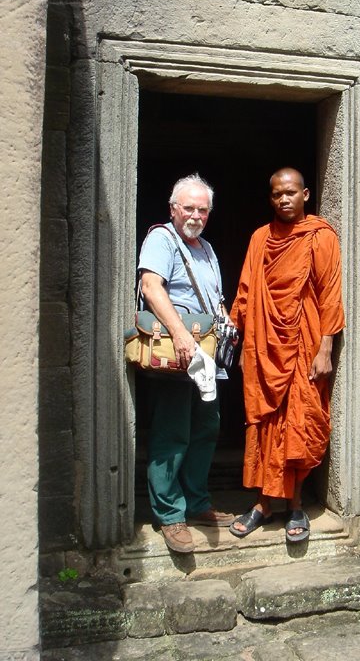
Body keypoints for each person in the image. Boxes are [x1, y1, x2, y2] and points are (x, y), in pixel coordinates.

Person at [229, 168, 345, 543]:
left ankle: (294, 505)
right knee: (265, 425)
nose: (283, 199)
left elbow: (330, 294)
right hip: (263, 346)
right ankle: (263, 504)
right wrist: (239, 340)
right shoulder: (260, 238)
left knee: (299, 423)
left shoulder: (320, 237)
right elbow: (246, 292)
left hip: (304, 345)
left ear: (306, 194)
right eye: (277, 194)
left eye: (291, 193)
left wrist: (326, 348)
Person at [138, 173, 233, 553]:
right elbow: (151, 286)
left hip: (205, 356)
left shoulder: (206, 248)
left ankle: (196, 503)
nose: (196, 215)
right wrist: (179, 334)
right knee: (172, 433)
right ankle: (170, 514)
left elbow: (214, 298)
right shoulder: (162, 238)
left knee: (206, 428)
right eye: (189, 208)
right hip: (176, 352)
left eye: (203, 209)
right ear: (173, 208)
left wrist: (225, 320)